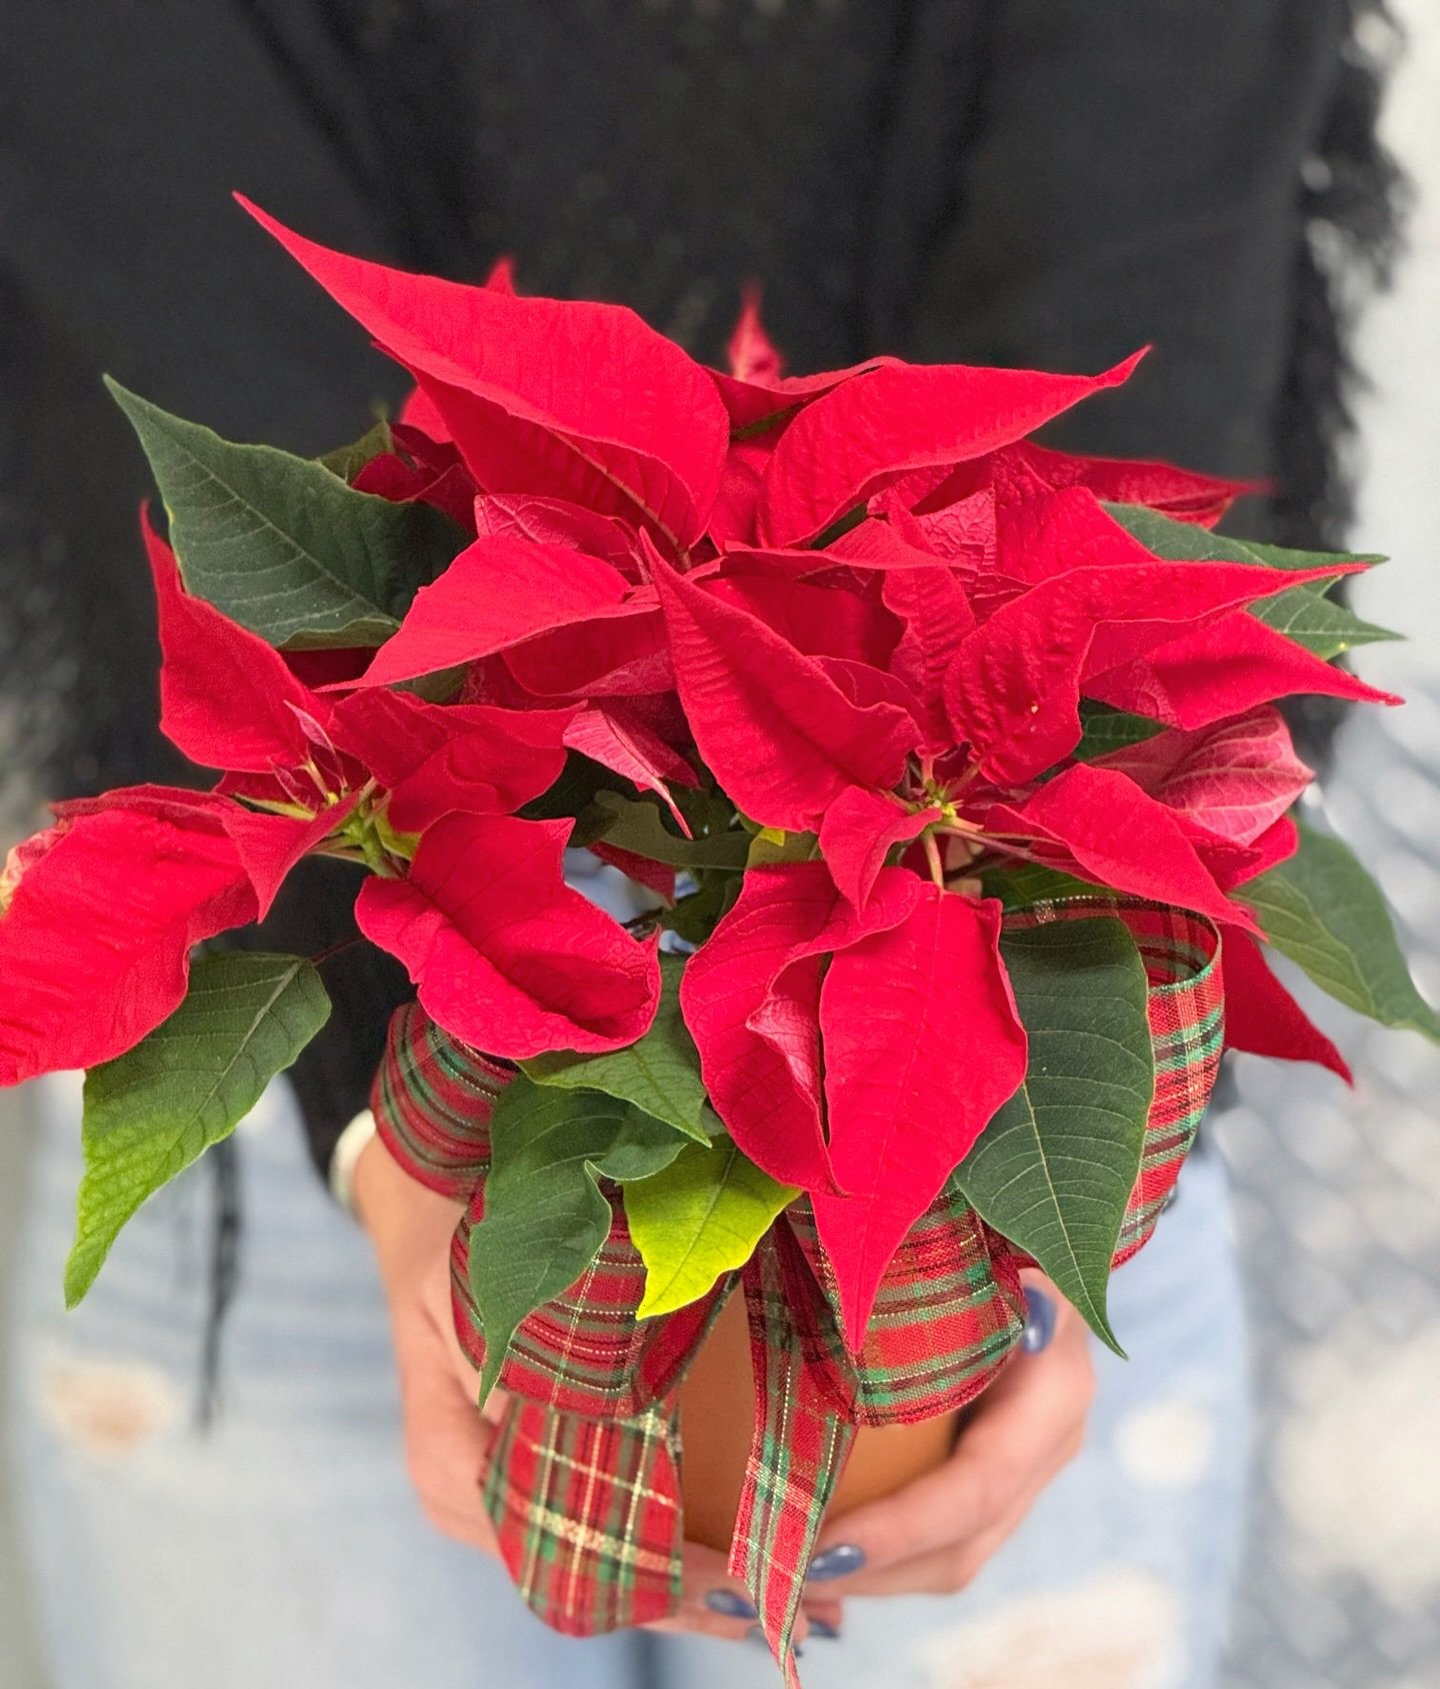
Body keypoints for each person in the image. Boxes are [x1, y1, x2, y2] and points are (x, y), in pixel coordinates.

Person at [0, 4, 1402, 1686]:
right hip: (336, 1049)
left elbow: (1140, 264)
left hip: (985, 1056)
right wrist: (401, 1135)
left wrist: (1016, 1227)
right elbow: (161, 253)